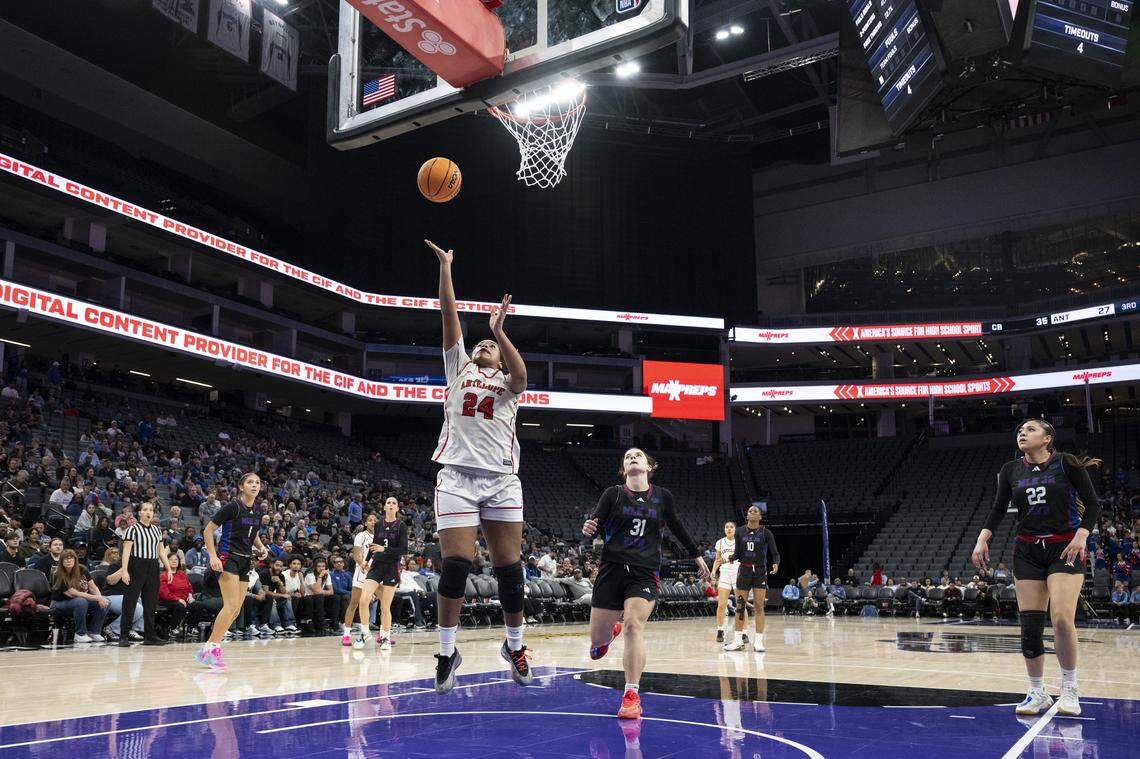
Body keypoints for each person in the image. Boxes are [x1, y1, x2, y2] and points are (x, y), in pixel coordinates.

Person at [425, 240, 532, 694]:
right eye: (482, 343)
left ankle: (515, 645)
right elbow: (449, 316)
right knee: (456, 566)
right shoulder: (457, 367)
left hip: (502, 480)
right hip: (456, 477)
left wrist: (499, 329)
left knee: (509, 570)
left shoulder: (508, 385)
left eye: (491, 345)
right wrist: (447, 268)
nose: (485, 346)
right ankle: (448, 653)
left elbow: (523, 375)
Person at [972, 419, 1100, 717]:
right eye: (1019, 430)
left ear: (1047, 439)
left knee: (1060, 620)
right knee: (1029, 625)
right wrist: (983, 537)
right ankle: (1037, 691)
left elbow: (1093, 504)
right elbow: (998, 508)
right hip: (1027, 549)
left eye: (1030, 430)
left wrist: (1082, 535)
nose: (1022, 433)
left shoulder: (1066, 464)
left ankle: (1069, 688)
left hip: (1064, 547)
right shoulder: (1010, 470)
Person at [581, 447, 710, 719]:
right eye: (627, 457)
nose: (632, 458)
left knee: (633, 625)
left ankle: (631, 695)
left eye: (637, 455)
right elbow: (594, 522)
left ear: (650, 466)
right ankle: (608, 634)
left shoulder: (663, 497)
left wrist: (696, 555)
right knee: (597, 641)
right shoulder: (613, 494)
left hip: (645, 572)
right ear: (623, 469)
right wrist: (588, 527)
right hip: (611, 570)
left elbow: (677, 526)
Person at [197, 472, 269, 668]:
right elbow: (208, 530)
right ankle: (211, 648)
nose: (254, 485)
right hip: (228, 558)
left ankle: (210, 647)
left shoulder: (257, 511)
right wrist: (212, 556)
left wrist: (261, 547)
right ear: (241, 487)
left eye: (257, 482)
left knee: (236, 609)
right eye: (250, 482)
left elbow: (253, 535)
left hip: (246, 560)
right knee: (229, 606)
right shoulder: (232, 507)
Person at [724, 505, 779, 652]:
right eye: (749, 511)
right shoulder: (740, 531)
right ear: (747, 516)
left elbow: (775, 553)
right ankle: (737, 641)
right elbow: (737, 553)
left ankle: (759, 642)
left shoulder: (766, 533)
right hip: (744, 570)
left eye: (755, 511)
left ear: (760, 517)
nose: (752, 512)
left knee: (759, 606)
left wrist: (776, 563)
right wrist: (730, 557)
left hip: (760, 571)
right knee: (740, 606)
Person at [119, 501, 174, 646]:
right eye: (145, 510)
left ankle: (150, 636)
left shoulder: (157, 529)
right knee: (130, 602)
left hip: (153, 566)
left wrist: (168, 568)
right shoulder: (133, 529)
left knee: (150, 603)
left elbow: (161, 550)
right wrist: (124, 570)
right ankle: (124, 635)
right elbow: (126, 551)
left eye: (151, 510)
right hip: (136, 565)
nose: (149, 512)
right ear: (140, 513)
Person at [357, 497, 408, 651]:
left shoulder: (401, 526)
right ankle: (365, 633)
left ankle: (385, 637)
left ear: (397, 508)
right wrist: (366, 560)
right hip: (376, 566)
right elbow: (374, 545)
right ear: (384, 507)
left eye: (393, 503)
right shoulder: (379, 524)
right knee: (364, 600)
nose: (391, 505)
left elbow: (404, 550)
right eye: (388, 503)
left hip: (392, 567)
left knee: (385, 606)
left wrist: (384, 549)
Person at [50, 549, 109, 643]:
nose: (68, 561)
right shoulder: (58, 574)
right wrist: (98, 598)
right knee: (81, 601)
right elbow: (74, 593)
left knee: (106, 601)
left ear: (75, 559)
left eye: (71, 558)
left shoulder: (82, 569)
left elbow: (92, 586)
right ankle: (80, 634)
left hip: (79, 601)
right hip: (59, 604)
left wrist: (100, 598)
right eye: (65, 559)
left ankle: (94, 632)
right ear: (61, 562)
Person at [342, 513, 377, 647]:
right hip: (362, 571)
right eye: (370, 520)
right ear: (365, 523)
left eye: (375, 520)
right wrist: (365, 566)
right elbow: (356, 556)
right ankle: (346, 634)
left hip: (377, 573)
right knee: (354, 603)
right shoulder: (361, 536)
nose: (372, 522)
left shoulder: (380, 538)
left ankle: (383, 635)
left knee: (384, 603)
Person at [710, 521, 746, 643]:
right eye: (727, 527)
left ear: (735, 529)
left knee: (741, 605)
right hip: (724, 574)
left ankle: (744, 632)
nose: (729, 529)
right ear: (724, 529)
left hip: (737, 573)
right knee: (721, 604)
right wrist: (713, 572)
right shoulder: (720, 542)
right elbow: (717, 560)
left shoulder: (740, 541)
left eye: (731, 527)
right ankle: (720, 630)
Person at [158, 552, 193, 637]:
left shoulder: (182, 574)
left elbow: (189, 587)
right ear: (166, 562)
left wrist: (190, 595)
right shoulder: (163, 575)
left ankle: (192, 628)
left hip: (184, 599)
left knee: (198, 605)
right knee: (180, 606)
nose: (174, 561)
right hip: (167, 600)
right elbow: (164, 593)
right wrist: (178, 599)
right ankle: (172, 628)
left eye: (176, 559)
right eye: (171, 559)